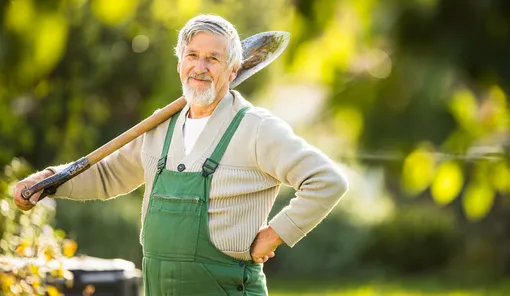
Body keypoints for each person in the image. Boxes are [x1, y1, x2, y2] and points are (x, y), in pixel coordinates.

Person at [14, 14, 348, 296]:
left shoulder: (256, 128)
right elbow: (107, 175)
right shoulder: (161, 126)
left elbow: (327, 180)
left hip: (228, 287)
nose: (200, 68)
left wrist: (275, 234)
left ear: (233, 72)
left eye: (213, 59)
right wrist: (49, 180)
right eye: (193, 56)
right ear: (180, 65)